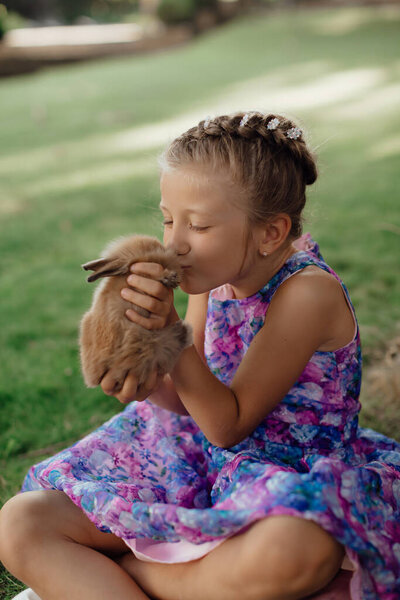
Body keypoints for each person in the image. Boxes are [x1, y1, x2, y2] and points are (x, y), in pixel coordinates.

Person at [0, 111, 399, 600]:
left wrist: (172, 336)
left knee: (297, 551)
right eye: (168, 220)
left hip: (287, 472)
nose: (174, 244)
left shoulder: (306, 294)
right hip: (192, 455)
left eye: (199, 225)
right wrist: (148, 379)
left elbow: (229, 423)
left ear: (271, 233)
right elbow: (191, 399)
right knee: (22, 521)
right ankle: (178, 577)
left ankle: (133, 571)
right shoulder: (214, 277)